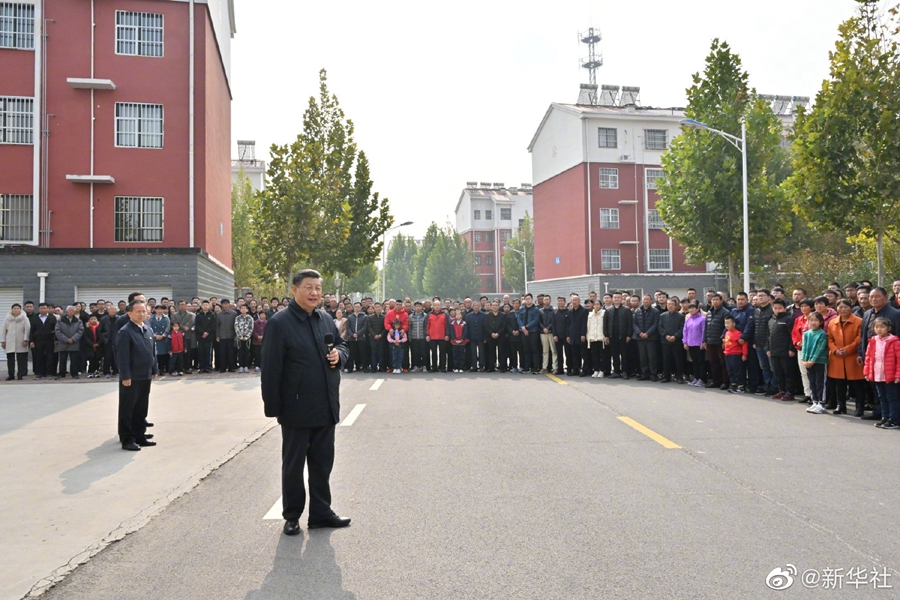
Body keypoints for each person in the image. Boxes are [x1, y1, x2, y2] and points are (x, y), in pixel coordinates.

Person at [260, 270, 350, 535]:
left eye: (318, 288)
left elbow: (343, 345)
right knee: (294, 466)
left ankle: (321, 512)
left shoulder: (325, 319)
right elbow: (271, 368)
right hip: (296, 409)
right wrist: (274, 408)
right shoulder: (280, 323)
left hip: (326, 404)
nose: (314, 293)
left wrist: (339, 356)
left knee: (322, 464)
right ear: (295, 290)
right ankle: (291, 515)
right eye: (309, 287)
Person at [116, 299, 158, 451]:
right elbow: (122, 357)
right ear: (129, 313)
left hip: (145, 375)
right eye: (138, 311)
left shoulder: (148, 330)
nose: (141, 314)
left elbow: (152, 352)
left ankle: (140, 435)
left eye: (143, 311)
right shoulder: (125, 332)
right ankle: (127, 439)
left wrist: (154, 369)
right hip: (131, 377)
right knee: (128, 408)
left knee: (141, 407)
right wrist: (125, 376)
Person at [827, 299, 864, 416]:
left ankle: (859, 407)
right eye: (840, 307)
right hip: (837, 357)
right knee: (839, 384)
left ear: (851, 307)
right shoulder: (832, 322)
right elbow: (829, 338)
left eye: (846, 307)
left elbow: (859, 338)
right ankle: (841, 405)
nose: (843, 309)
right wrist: (835, 350)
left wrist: (848, 349)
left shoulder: (859, 321)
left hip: (852, 356)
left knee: (857, 384)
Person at [863, 317, 900, 429]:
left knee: (892, 397)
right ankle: (884, 417)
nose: (879, 329)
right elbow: (868, 357)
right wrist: (867, 372)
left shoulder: (894, 341)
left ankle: (894, 419)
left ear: (888, 328)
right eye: (876, 327)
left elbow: (899, 359)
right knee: (881, 397)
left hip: (890, 375)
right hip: (877, 374)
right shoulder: (873, 340)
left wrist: (898, 375)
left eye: (882, 327)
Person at [768, 299, 796, 401]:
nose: (777, 310)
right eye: (775, 308)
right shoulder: (771, 320)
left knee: (788, 372)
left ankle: (790, 392)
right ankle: (782, 391)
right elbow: (769, 335)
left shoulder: (788, 319)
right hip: (774, 351)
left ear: (784, 308)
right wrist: (768, 349)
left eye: (780, 308)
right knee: (778, 372)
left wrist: (791, 349)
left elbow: (792, 335)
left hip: (785, 351)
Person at [800, 312, 829, 414]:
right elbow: (804, 347)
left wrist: (812, 360)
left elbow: (819, 349)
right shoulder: (807, 334)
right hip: (808, 362)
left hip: (819, 361)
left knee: (820, 383)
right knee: (812, 382)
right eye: (811, 320)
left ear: (821, 322)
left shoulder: (822, 334)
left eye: (816, 320)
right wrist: (804, 359)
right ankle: (815, 402)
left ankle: (821, 403)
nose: (813, 322)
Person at [753, 289, 776, 396]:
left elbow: (771, 329)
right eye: (758, 296)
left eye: (762, 296)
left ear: (768, 297)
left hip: (769, 344)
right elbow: (755, 327)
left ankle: (774, 387)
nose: (760, 298)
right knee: (764, 367)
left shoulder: (772, 310)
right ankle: (766, 386)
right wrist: (754, 341)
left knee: (773, 368)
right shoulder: (756, 310)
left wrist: (770, 345)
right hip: (758, 343)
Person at [603, 292, 632, 379]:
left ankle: (624, 371)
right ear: (613, 299)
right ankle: (616, 371)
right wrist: (606, 335)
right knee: (614, 355)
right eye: (615, 297)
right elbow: (605, 324)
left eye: (618, 297)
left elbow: (630, 324)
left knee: (624, 355)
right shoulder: (608, 310)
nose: (616, 299)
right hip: (612, 336)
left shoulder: (626, 310)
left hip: (623, 336)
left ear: (621, 299)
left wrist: (629, 335)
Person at [633, 295, 660, 381]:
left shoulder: (655, 311)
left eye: (648, 299)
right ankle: (644, 374)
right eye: (644, 299)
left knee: (652, 357)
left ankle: (653, 374)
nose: (646, 301)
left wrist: (647, 333)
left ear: (651, 301)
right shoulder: (637, 311)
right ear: (642, 301)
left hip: (651, 338)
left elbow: (656, 324)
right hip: (640, 338)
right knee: (643, 357)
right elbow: (634, 324)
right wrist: (639, 333)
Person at [659, 298, 686, 384]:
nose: (670, 306)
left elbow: (682, 328)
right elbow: (660, 327)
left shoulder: (680, 316)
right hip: (665, 341)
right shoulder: (662, 315)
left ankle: (679, 377)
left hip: (676, 341)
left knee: (678, 360)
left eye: (672, 304)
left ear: (676, 306)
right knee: (666, 360)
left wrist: (675, 336)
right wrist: (665, 335)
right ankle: (666, 376)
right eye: (668, 304)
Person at [55, 306, 84, 379]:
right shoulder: (60, 320)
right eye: (69, 311)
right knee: (62, 359)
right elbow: (57, 331)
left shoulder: (78, 320)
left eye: (72, 311)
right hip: (63, 343)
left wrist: (73, 339)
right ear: (66, 312)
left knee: (74, 359)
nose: (71, 312)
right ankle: (62, 373)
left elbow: (80, 331)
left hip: (74, 342)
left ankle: (74, 373)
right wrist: (66, 339)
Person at [2, 303, 30, 380]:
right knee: (10, 359)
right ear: (12, 309)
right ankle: (11, 375)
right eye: (14, 308)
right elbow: (3, 330)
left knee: (21, 359)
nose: (16, 310)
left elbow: (27, 330)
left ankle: (20, 374)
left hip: (21, 341)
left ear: (20, 310)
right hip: (9, 341)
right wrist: (3, 341)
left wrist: (25, 339)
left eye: (18, 308)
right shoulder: (7, 319)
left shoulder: (25, 318)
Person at [722, 315, 748, 393]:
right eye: (725, 323)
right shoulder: (727, 332)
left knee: (738, 370)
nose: (726, 325)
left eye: (728, 323)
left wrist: (744, 354)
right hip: (727, 354)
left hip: (736, 354)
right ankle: (733, 384)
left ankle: (741, 386)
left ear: (734, 324)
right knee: (730, 370)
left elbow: (744, 344)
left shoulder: (738, 333)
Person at [517, 294, 542, 374]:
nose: (527, 300)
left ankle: (535, 368)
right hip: (523, 332)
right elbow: (519, 319)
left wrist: (526, 327)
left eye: (529, 299)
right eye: (526, 299)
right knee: (526, 350)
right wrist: (523, 327)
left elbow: (536, 320)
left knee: (534, 350)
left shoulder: (536, 309)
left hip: (533, 332)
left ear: (532, 299)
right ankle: (526, 367)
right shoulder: (521, 309)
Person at [683, 302, 706, 387]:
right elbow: (685, 331)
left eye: (693, 308)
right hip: (690, 343)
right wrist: (685, 342)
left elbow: (704, 331)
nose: (691, 310)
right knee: (694, 362)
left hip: (699, 343)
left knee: (701, 362)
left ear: (697, 309)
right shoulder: (688, 319)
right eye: (690, 308)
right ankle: (696, 378)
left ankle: (702, 379)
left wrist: (703, 342)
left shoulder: (702, 319)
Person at [567, 295, 588, 377]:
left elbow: (584, 323)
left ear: (579, 301)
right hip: (572, 335)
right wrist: (568, 335)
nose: (574, 302)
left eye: (576, 300)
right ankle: (576, 369)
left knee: (583, 354)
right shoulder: (569, 311)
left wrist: (583, 334)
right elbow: (568, 324)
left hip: (581, 334)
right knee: (574, 354)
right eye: (573, 300)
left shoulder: (584, 311)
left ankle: (585, 370)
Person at [346, 302, 369, 373]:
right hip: (352, 338)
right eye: (355, 307)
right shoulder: (350, 317)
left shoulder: (365, 316)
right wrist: (352, 334)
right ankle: (350, 368)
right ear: (353, 307)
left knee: (363, 353)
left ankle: (365, 367)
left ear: (361, 307)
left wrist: (358, 334)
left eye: (358, 307)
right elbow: (348, 327)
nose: (357, 308)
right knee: (352, 354)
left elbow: (365, 327)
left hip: (361, 338)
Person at [483, 300, 505, 373]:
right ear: (491, 307)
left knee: (501, 352)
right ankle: (491, 367)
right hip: (490, 336)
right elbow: (486, 326)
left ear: (499, 307)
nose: (495, 307)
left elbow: (504, 326)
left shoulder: (503, 315)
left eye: (496, 305)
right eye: (493, 305)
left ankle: (502, 367)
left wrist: (498, 333)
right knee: (491, 352)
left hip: (500, 336)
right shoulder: (487, 315)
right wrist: (491, 333)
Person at [195, 300, 216, 373]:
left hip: (209, 337)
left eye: (206, 305)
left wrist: (207, 332)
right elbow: (197, 325)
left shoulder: (212, 315)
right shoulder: (198, 315)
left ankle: (208, 367)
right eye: (204, 305)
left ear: (209, 306)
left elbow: (213, 325)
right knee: (201, 352)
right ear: (201, 306)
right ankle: (201, 367)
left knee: (208, 352)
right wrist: (202, 332)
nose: (205, 306)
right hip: (200, 337)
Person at [586, 298, 605, 378]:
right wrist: (588, 337)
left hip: (601, 338)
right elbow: (588, 326)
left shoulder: (604, 313)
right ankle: (596, 370)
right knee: (595, 355)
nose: (596, 306)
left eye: (598, 304)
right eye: (595, 304)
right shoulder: (590, 314)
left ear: (601, 305)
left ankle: (602, 370)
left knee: (603, 355)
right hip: (593, 338)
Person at [149, 304, 171, 375]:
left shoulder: (166, 318)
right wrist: (154, 335)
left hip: (163, 338)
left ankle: (162, 369)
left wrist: (164, 335)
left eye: (161, 309)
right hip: (155, 338)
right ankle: (156, 369)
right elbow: (149, 327)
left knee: (163, 355)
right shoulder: (151, 318)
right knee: (156, 355)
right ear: (155, 310)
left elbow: (168, 327)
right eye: (158, 309)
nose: (159, 311)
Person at [465, 301, 486, 372]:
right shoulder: (468, 316)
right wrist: (467, 337)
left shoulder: (484, 315)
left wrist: (485, 337)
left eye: (477, 305)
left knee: (481, 352)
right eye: (475, 305)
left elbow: (485, 327)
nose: (476, 307)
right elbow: (467, 327)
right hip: (472, 337)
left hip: (481, 336)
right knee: (473, 352)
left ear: (479, 306)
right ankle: (474, 366)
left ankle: (481, 366)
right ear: (472, 307)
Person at [539, 295, 557, 374]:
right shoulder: (540, 311)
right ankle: (544, 367)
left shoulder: (554, 311)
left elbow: (554, 322)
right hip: (543, 333)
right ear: (543, 301)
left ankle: (555, 367)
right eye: (545, 299)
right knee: (545, 351)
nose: (546, 301)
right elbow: (539, 321)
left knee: (553, 351)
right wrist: (543, 328)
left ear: (550, 300)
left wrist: (548, 328)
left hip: (551, 332)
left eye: (547, 299)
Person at [408, 302, 429, 373]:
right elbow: (410, 327)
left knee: (424, 353)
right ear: (414, 307)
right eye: (416, 306)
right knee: (415, 353)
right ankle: (416, 366)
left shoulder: (426, 316)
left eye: (419, 306)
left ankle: (424, 366)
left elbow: (427, 327)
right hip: (414, 337)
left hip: (423, 337)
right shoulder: (411, 316)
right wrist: (409, 336)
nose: (418, 308)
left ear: (422, 307)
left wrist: (427, 335)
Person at [552, 297, 570, 376]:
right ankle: (560, 369)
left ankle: (569, 368)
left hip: (566, 336)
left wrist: (568, 335)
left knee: (568, 353)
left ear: (565, 302)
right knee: (559, 353)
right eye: (558, 301)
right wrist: (554, 335)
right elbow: (553, 325)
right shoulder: (555, 313)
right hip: (558, 336)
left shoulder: (569, 312)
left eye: (561, 301)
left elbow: (569, 325)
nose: (560, 302)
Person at [235, 304, 254, 373]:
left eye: (244, 308)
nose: (243, 310)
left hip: (247, 338)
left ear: (247, 310)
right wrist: (240, 336)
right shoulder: (237, 318)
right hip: (239, 338)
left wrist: (246, 337)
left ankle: (246, 366)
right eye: (242, 308)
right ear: (240, 310)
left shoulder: (250, 318)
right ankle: (241, 366)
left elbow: (251, 328)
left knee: (246, 352)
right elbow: (236, 327)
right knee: (240, 352)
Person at [368, 303, 386, 373]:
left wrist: (381, 335)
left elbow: (385, 328)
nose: (377, 308)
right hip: (373, 338)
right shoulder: (370, 317)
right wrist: (374, 335)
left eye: (379, 307)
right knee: (374, 353)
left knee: (381, 353)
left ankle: (382, 367)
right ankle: (373, 367)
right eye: (376, 307)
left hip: (382, 338)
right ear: (374, 309)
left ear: (381, 308)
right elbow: (369, 327)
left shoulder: (384, 317)